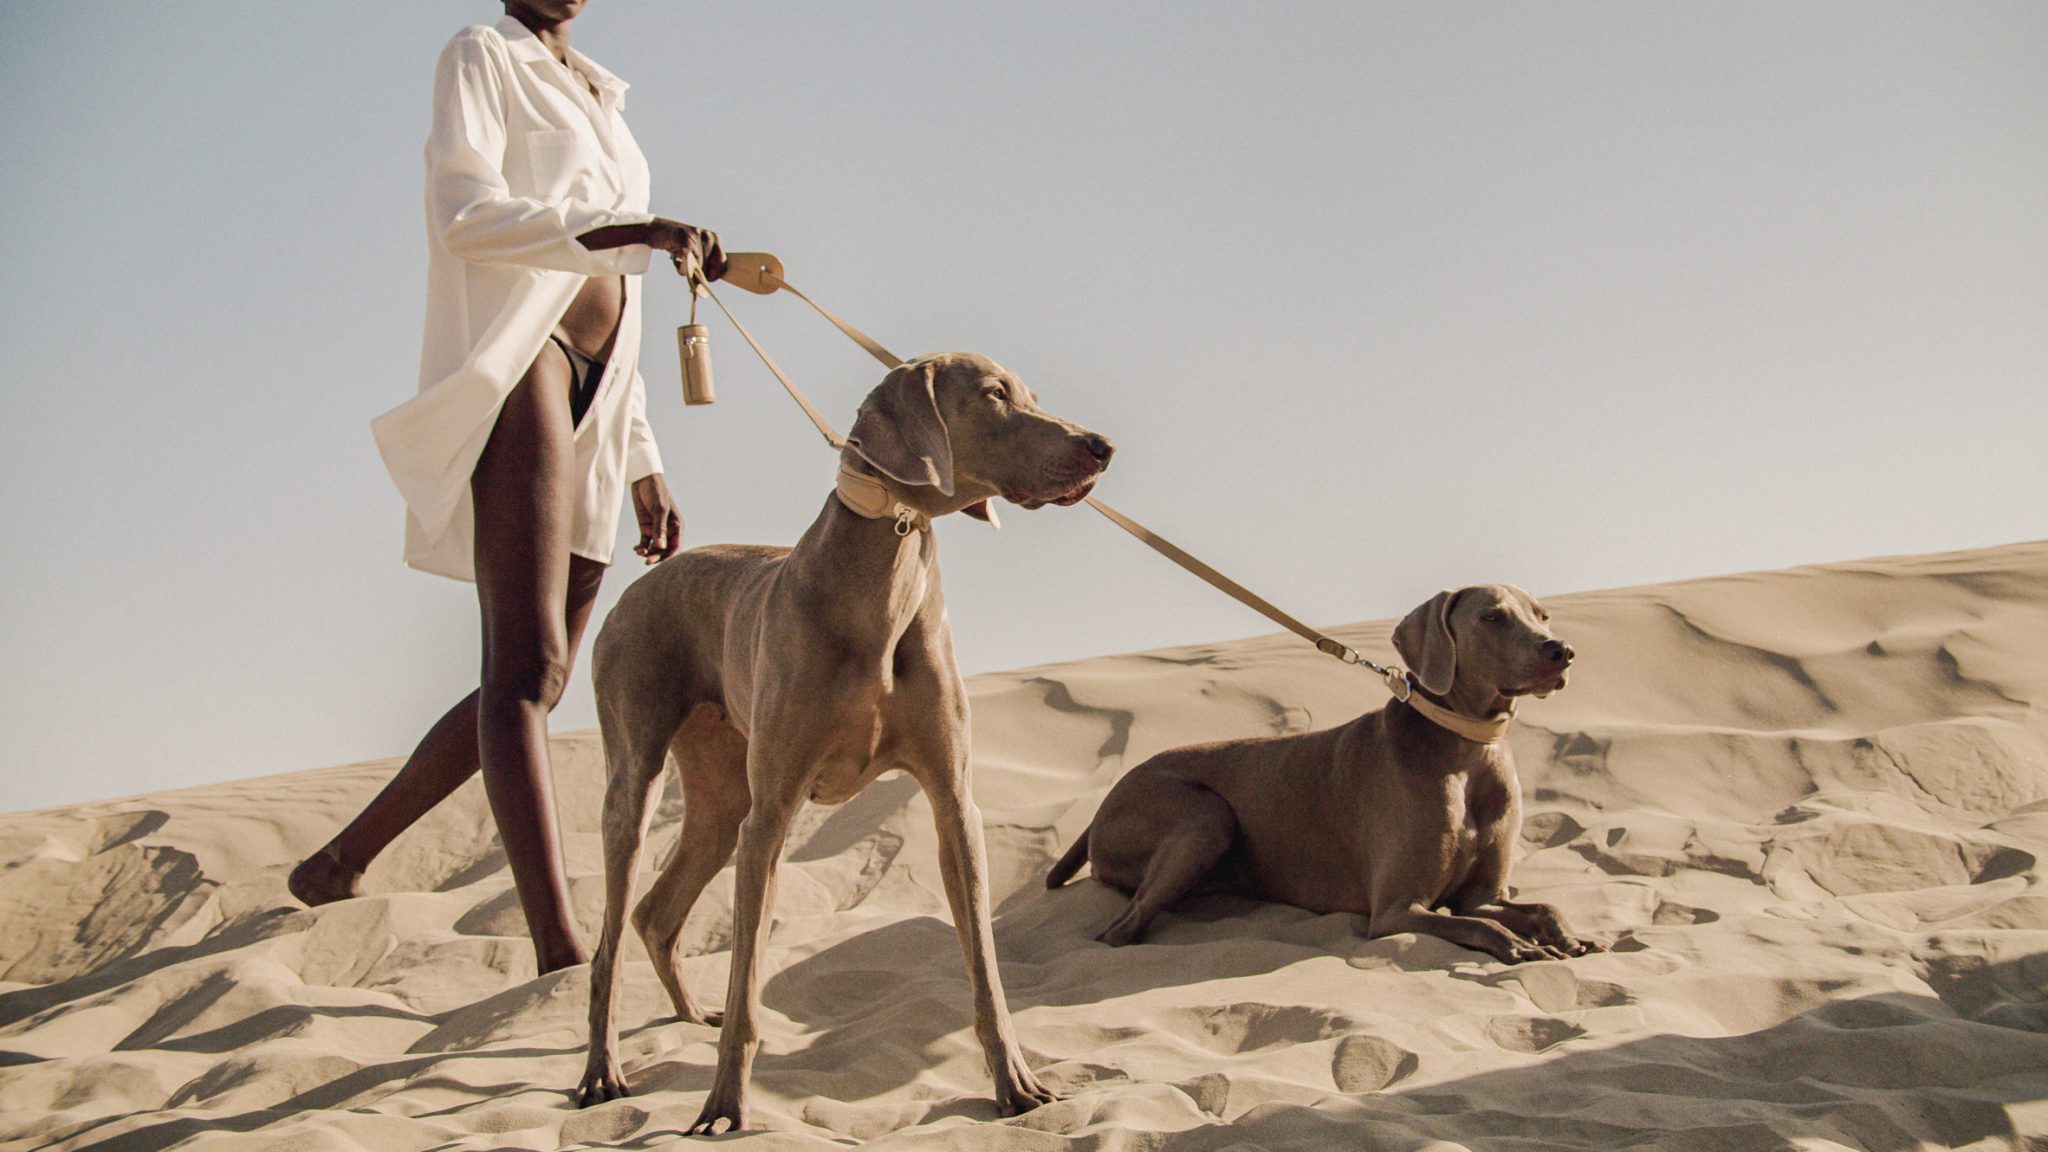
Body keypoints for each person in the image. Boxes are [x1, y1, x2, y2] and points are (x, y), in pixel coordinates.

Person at [289, 0, 726, 974]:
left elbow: (633, 285)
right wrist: (634, 226)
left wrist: (647, 461)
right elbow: (463, 213)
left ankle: (339, 860)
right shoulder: (479, 54)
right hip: (523, 353)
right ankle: (562, 956)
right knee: (524, 670)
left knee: (536, 678)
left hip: (605, 397)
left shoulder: (603, 94)